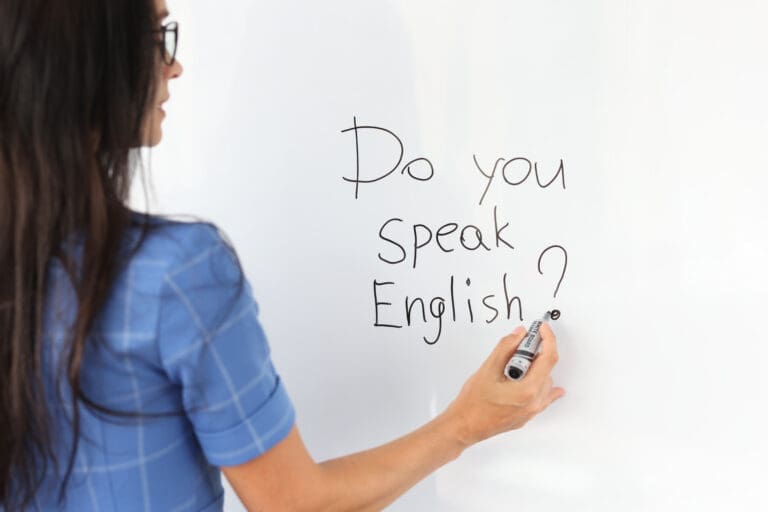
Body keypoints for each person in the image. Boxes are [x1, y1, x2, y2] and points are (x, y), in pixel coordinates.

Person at [0, 0, 566, 510]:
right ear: (89, 64)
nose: (174, 67)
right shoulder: (176, 274)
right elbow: (294, 504)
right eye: (157, 38)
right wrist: (466, 424)